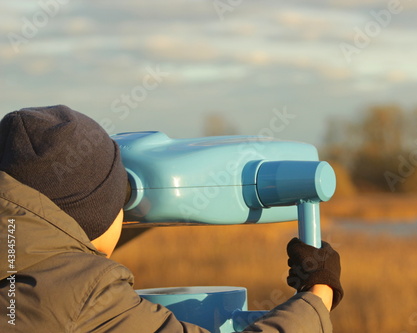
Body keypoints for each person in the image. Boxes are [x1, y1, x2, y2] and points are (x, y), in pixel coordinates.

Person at [0, 105, 343, 332]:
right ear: (96, 212)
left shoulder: (24, 275)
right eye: (121, 197)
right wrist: (319, 293)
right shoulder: (84, 297)